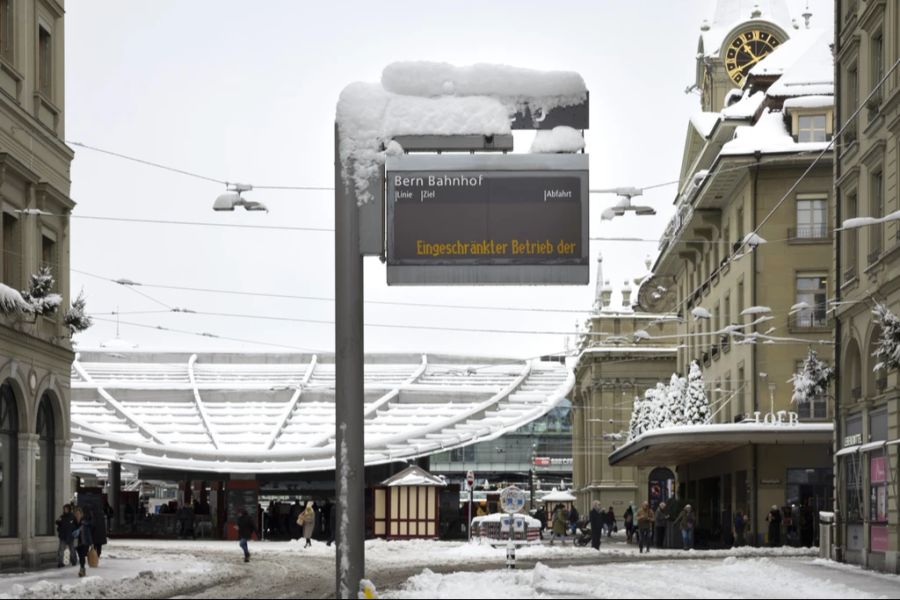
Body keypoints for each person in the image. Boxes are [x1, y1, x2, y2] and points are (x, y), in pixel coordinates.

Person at [73, 506, 94, 577]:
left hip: (84, 542)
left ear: (81, 514)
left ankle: (82, 569)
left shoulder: (85, 523)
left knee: (82, 555)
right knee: (80, 556)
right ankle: (83, 568)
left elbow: (88, 534)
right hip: (77, 542)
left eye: (78, 513)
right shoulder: (73, 522)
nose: (77, 515)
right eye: (76, 513)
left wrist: (91, 543)